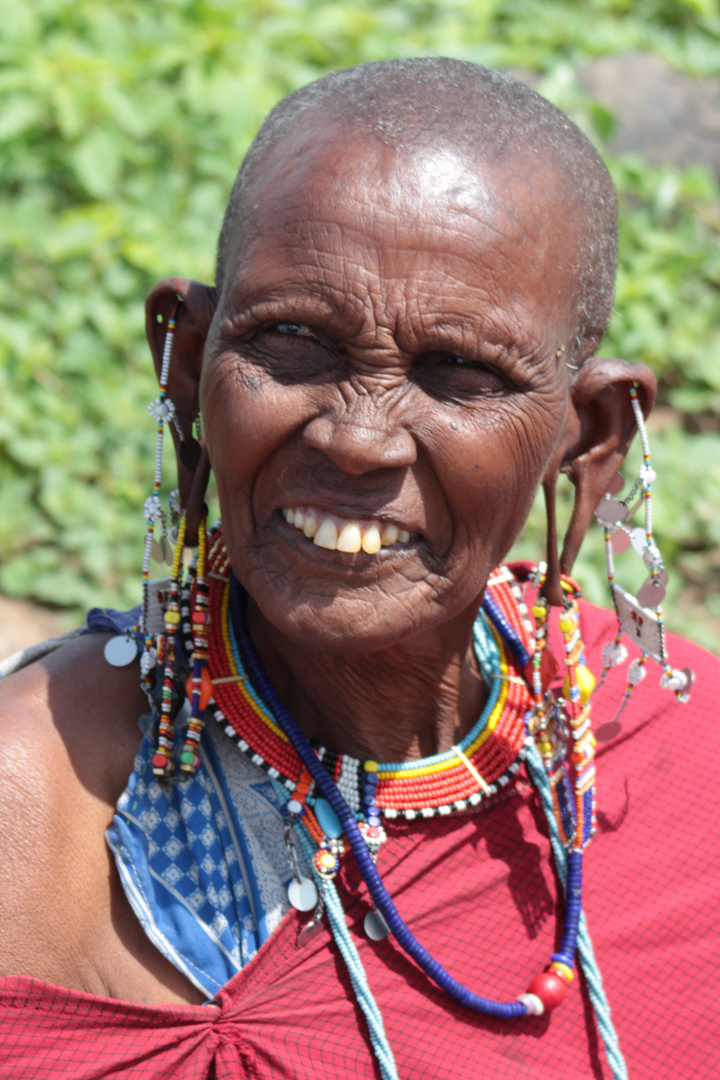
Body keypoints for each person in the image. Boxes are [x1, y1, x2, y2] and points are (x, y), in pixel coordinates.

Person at [0, 58, 717, 1080]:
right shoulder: (37, 804)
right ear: (189, 366)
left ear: (589, 439)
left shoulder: (681, 765)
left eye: (459, 371)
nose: (357, 439)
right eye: (291, 342)